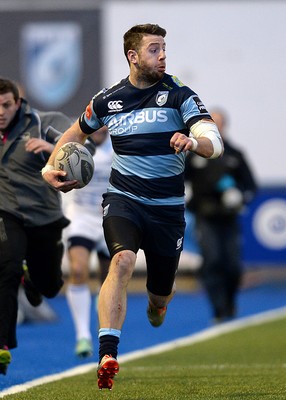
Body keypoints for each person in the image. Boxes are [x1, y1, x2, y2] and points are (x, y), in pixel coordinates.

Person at [41, 23, 224, 390]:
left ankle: (158, 305)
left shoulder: (178, 95)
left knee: (159, 298)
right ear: (133, 56)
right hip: (124, 199)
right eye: (154, 49)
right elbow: (77, 131)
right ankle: (107, 353)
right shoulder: (109, 99)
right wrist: (50, 166)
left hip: (168, 209)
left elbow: (212, 139)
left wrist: (192, 141)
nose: (163, 55)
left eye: (164, 48)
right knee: (121, 261)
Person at [0, 77, 73, 375]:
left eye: (6, 105)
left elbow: (85, 153)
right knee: (6, 268)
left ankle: (33, 280)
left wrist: (54, 148)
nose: (1, 112)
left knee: (51, 286)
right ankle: (2, 345)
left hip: (44, 217)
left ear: (18, 103)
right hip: (6, 213)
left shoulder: (45, 122)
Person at [185, 108, 257, 323]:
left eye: (219, 123)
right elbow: (181, 180)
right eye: (211, 124)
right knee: (213, 260)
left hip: (229, 217)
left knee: (233, 265)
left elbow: (251, 185)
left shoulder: (235, 153)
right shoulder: (195, 153)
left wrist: (241, 197)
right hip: (205, 217)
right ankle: (217, 309)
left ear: (225, 126)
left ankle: (230, 301)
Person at [64, 126, 112, 358]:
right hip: (81, 216)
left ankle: (102, 314)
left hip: (109, 217)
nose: (102, 128)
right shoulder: (75, 146)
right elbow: (55, 156)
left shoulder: (120, 147)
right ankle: (82, 336)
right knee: (78, 269)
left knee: (110, 281)